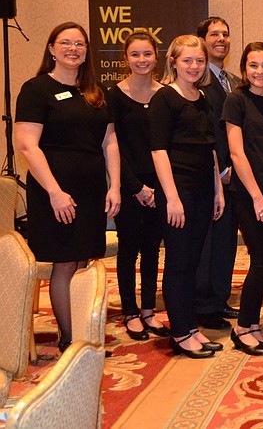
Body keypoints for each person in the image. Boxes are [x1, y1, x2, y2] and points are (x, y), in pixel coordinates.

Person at [15, 22, 120, 352]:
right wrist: (54, 192)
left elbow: (110, 141)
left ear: (87, 51)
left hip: (90, 190)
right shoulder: (36, 89)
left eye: (79, 44)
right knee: (64, 263)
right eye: (65, 42)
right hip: (54, 190)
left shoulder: (95, 91)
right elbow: (27, 145)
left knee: (84, 261)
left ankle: (84, 330)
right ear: (51, 48)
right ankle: (70, 338)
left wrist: (114, 185)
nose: (73, 48)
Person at [149, 35, 225, 359]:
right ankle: (180, 333)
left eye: (198, 60)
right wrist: (173, 198)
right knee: (178, 263)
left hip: (204, 189)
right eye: (187, 60)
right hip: (177, 190)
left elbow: (209, 148)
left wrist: (218, 188)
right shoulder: (165, 98)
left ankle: (190, 327)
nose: (193, 66)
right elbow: (158, 150)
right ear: (173, 62)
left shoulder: (204, 97)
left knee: (192, 262)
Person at [223, 42, 263, 356]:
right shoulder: (235, 101)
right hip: (248, 194)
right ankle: (243, 327)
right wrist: (258, 197)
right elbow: (236, 152)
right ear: (244, 68)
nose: (259, 71)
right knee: (261, 260)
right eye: (253, 65)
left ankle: (250, 326)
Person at [108, 31, 169, 341]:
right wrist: (135, 187)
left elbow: (167, 145)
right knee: (128, 250)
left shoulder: (165, 95)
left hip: (160, 189)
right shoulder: (114, 96)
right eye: (136, 54)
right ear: (126, 59)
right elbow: (113, 144)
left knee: (151, 250)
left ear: (156, 57)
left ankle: (148, 310)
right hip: (130, 187)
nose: (142, 60)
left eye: (147, 54)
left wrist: (159, 189)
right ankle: (130, 312)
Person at [195, 17, 240, 330]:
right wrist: (221, 169)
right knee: (207, 243)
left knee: (226, 241)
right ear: (202, 40)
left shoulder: (234, 80)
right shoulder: (197, 81)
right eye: (214, 34)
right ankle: (203, 305)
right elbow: (207, 130)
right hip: (212, 173)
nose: (221, 39)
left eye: (225, 34)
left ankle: (219, 299)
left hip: (236, 174)